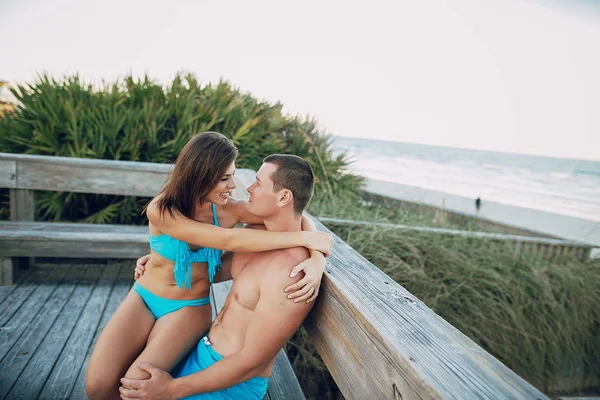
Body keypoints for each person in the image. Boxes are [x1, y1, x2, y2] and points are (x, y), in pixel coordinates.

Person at [85, 133, 332, 400]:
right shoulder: (162, 208)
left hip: (187, 307)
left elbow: (294, 212)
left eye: (233, 175)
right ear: (200, 176)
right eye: (224, 178)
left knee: (134, 385)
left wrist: (316, 257)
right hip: (145, 295)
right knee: (98, 386)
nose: (234, 185)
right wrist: (307, 241)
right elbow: (228, 239)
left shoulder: (229, 210)